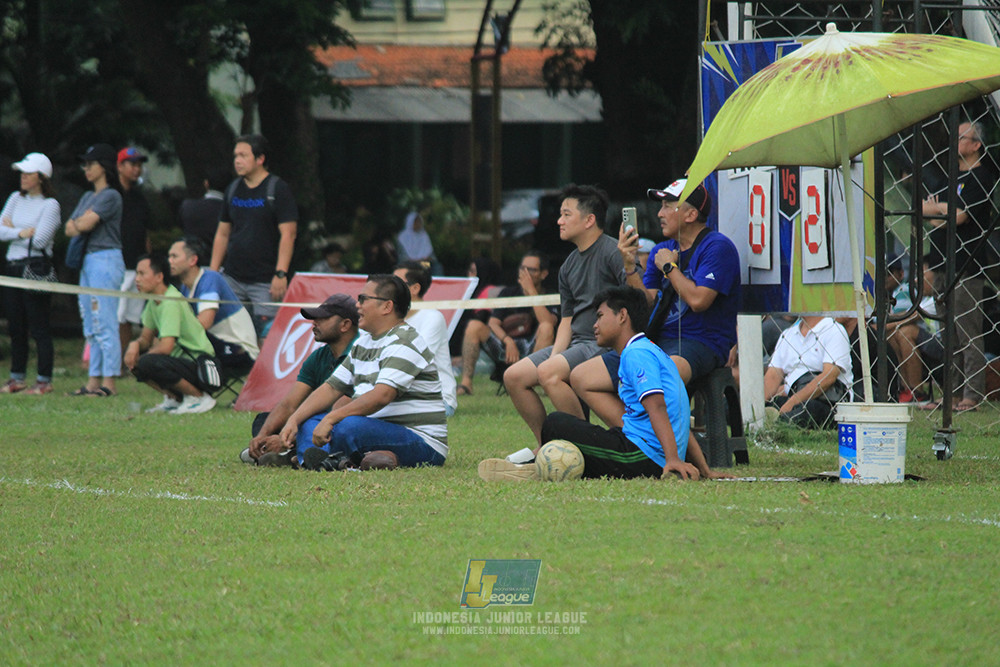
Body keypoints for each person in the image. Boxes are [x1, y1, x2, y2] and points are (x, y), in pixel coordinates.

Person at [479, 287, 731, 482]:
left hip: (641, 456)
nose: (594, 325)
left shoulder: (637, 354)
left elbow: (658, 407)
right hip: (639, 447)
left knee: (556, 423)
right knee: (578, 432)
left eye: (600, 316)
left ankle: (541, 466)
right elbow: (679, 415)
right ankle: (543, 464)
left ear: (622, 316)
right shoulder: (649, 350)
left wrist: (673, 460)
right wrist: (704, 470)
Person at [569, 178, 741, 427]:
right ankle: (639, 438)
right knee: (582, 377)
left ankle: (657, 439)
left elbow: (699, 301)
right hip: (656, 340)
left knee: (653, 376)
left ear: (691, 214)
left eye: (668, 206)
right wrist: (629, 265)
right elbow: (646, 303)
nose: (660, 214)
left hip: (701, 342)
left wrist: (669, 268)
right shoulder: (663, 249)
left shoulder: (717, 247)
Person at [279, 274, 447, 471]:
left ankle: (323, 458)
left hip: (421, 441)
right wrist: (295, 419)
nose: (357, 305)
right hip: (373, 428)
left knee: (347, 426)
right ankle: (319, 461)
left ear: (387, 307)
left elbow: (382, 396)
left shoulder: (405, 342)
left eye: (363, 299)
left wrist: (331, 418)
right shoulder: (363, 342)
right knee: (310, 420)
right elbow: (331, 387)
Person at [503, 184, 625, 445]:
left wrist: (553, 366)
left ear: (589, 219)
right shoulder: (568, 265)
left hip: (601, 346)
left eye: (567, 214)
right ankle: (546, 445)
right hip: (575, 343)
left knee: (549, 372)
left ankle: (583, 446)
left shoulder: (614, 252)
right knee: (513, 377)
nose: (559, 221)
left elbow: (635, 302)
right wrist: (556, 356)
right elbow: (567, 321)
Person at [922, 120, 996, 412]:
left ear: (976, 144)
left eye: (962, 138)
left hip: (966, 265)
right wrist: (944, 210)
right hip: (941, 262)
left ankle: (972, 394)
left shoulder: (982, 178)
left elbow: (961, 217)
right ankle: (950, 393)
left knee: (967, 331)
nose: (955, 143)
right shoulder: (948, 177)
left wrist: (942, 210)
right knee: (946, 332)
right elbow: (928, 212)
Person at [241, 293, 359, 466]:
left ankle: (293, 451)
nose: (314, 323)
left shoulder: (360, 353)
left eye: (322, 318)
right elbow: (289, 404)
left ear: (345, 325)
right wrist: (263, 436)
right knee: (263, 421)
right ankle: (287, 450)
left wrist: (291, 434)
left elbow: (341, 409)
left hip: (339, 422)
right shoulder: (319, 356)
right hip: (315, 422)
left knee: (316, 423)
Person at [210, 134, 297, 339]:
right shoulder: (232, 189)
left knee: (267, 337)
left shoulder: (278, 189)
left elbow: (289, 234)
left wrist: (281, 273)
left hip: (266, 281)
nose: (237, 161)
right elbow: (222, 234)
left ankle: (261, 372)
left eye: (243, 155)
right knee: (229, 333)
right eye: (235, 156)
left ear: (260, 159)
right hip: (233, 277)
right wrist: (213, 273)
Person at [65, 143, 125, 397]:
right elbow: (69, 228)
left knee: (105, 321)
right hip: (88, 261)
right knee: (90, 321)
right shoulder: (87, 197)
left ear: (104, 167)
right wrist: (82, 221)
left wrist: (82, 221)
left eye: (91, 163)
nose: (86, 168)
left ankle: (109, 382)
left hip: (106, 259)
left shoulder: (111, 195)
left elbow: (86, 224)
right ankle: (93, 380)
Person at [123, 254, 218, 414]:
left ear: (159, 276)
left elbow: (166, 347)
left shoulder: (170, 301)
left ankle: (198, 397)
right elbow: (145, 338)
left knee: (147, 362)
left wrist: (142, 360)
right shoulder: (154, 301)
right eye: (137, 274)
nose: (137, 279)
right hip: (182, 363)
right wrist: (134, 346)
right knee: (138, 361)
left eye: (142, 274)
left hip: (201, 364)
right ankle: (175, 398)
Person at [457, 250, 558, 395]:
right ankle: (466, 384)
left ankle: (534, 385)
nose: (525, 273)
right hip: (506, 346)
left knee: (546, 328)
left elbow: (548, 322)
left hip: (532, 347)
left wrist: (531, 291)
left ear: (543, 274)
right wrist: (508, 341)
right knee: (474, 326)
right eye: (522, 268)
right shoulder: (508, 293)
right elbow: (493, 323)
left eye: (531, 270)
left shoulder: (550, 295)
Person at [0, 153, 61, 394]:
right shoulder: (15, 198)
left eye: (28, 174)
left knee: (39, 326)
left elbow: (41, 239)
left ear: (41, 177)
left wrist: (13, 228)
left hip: (35, 267)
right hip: (12, 266)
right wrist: (21, 232)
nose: (23, 178)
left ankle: (44, 379)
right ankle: (17, 377)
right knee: (16, 326)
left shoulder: (50, 205)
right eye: (22, 174)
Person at [167, 237, 260, 365]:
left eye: (174, 256)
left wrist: (171, 332)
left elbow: (205, 322)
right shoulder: (185, 288)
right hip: (218, 343)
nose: (169, 261)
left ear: (193, 260)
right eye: (169, 256)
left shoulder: (210, 279)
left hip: (239, 348)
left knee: (177, 351)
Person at [764, 316, 853, 429]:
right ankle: (771, 423)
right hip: (795, 394)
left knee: (807, 410)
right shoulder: (788, 334)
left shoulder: (833, 329)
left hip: (826, 401)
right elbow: (772, 377)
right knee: (772, 405)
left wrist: (791, 403)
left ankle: (777, 425)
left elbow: (829, 377)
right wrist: (757, 406)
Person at [393, 261, 458, 416]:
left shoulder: (432, 318)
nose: (389, 288)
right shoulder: (389, 317)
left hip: (435, 399)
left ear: (415, 288)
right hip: (399, 396)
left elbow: (415, 359)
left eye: (396, 283)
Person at [116, 147, 152, 362]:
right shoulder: (112, 194)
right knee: (118, 315)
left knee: (131, 315)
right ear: (120, 166)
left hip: (136, 263)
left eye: (139, 164)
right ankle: (116, 362)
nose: (136, 169)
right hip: (117, 262)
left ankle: (128, 361)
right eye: (132, 164)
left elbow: (145, 231)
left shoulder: (140, 197)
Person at [179, 167, 229, 251]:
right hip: (222, 259)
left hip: (192, 256)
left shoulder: (187, 206)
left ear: (206, 184)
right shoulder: (231, 210)